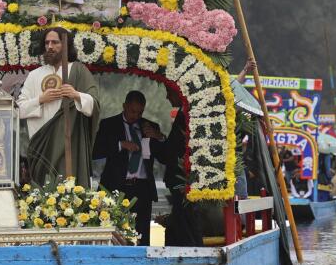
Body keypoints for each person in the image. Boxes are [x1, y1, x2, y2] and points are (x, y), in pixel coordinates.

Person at [18, 28, 100, 188]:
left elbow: (94, 104)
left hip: (69, 144)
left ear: (66, 45)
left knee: (68, 190)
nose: (50, 46)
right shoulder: (34, 75)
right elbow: (19, 109)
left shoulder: (78, 71)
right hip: (42, 146)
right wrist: (41, 99)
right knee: (44, 194)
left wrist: (76, 94)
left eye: (55, 42)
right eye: (47, 43)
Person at [93, 90, 166, 246]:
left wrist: (159, 137)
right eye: (132, 111)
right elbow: (96, 151)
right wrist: (120, 144)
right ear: (124, 106)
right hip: (116, 187)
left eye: (140, 112)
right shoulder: (109, 124)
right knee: (114, 232)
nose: (136, 116)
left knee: (142, 236)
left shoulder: (151, 126)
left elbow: (165, 157)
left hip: (142, 189)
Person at [154, 89, 202, 247]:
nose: (167, 96)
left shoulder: (188, 115)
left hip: (185, 182)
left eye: (169, 92)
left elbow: (175, 151)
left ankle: (194, 256)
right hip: (179, 181)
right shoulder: (183, 113)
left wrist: (158, 138)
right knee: (180, 223)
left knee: (186, 225)